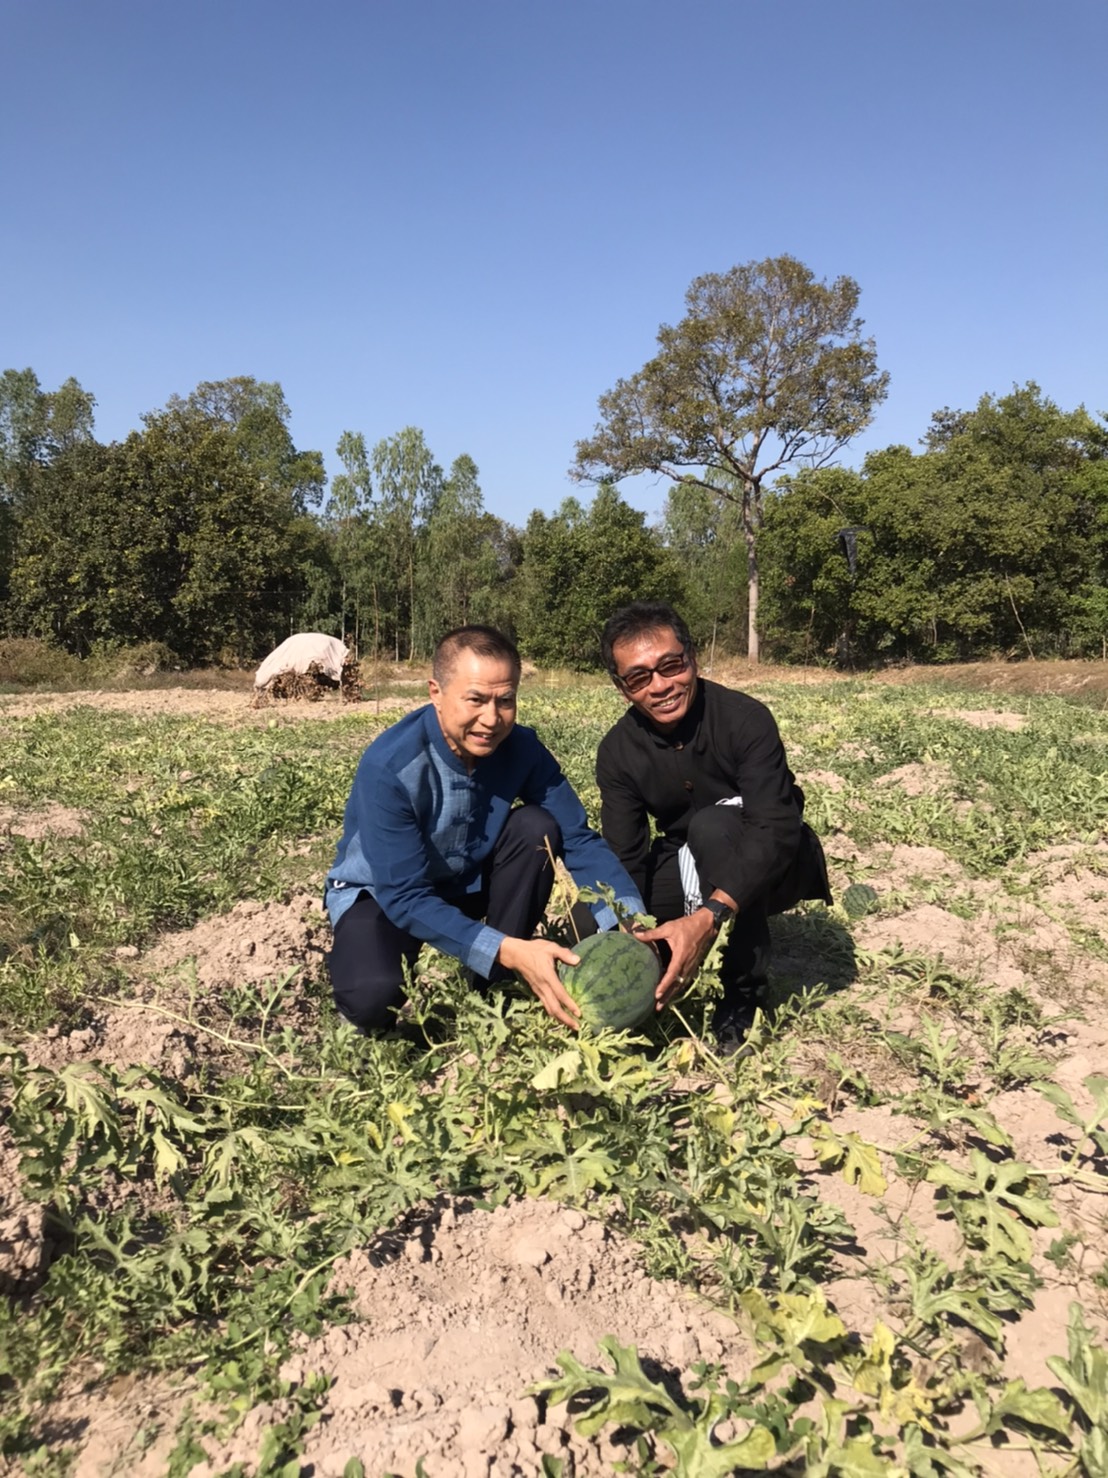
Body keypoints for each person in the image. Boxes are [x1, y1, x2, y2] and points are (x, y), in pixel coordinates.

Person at [325, 624, 645, 1033]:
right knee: (371, 999)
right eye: (475, 699)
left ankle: (488, 985)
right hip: (385, 894)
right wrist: (508, 949)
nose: (492, 719)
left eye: (505, 700)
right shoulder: (391, 766)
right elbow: (404, 894)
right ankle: (496, 956)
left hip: (469, 882)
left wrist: (628, 918)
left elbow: (578, 838)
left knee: (537, 827)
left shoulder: (522, 749)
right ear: (435, 693)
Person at [595, 601, 831, 1039]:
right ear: (622, 688)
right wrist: (630, 929)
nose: (661, 686)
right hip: (687, 858)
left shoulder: (744, 719)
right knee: (592, 919)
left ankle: (742, 996)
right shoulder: (617, 752)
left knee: (713, 826)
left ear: (693, 658)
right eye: (639, 678)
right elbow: (624, 856)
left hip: (774, 860)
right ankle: (662, 970)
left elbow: (775, 827)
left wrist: (709, 916)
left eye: (671, 665)